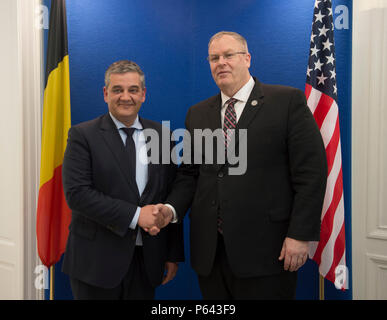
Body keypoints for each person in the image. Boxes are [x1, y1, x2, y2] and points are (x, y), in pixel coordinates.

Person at [159, 31, 328, 299]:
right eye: (214, 58)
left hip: (268, 252)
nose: (221, 62)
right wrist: (170, 209)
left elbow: (312, 174)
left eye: (229, 55)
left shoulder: (286, 102)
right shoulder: (198, 113)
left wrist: (300, 234)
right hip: (211, 255)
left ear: (247, 58)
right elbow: (191, 175)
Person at [61, 60, 184, 300]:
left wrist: (171, 254)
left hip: (147, 261)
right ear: (105, 94)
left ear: (143, 94)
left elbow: (170, 195)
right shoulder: (82, 135)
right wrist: (137, 216)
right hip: (96, 264)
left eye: (133, 90)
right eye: (117, 90)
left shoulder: (162, 136)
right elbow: (77, 194)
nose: (125, 97)